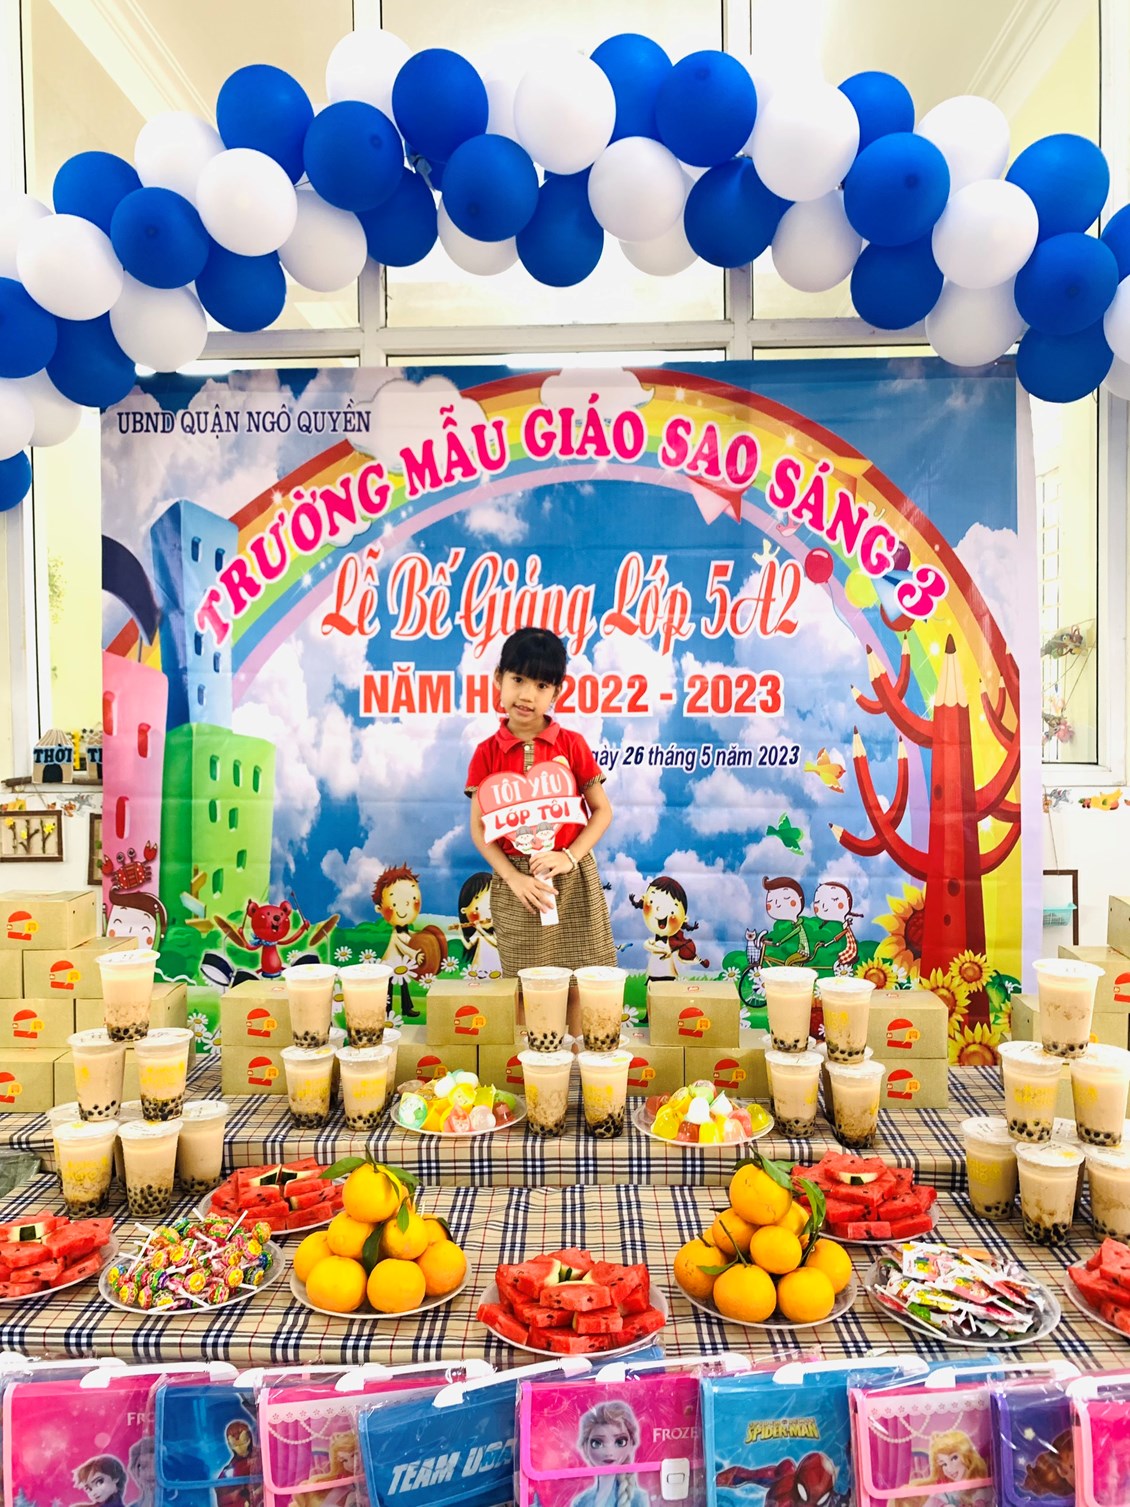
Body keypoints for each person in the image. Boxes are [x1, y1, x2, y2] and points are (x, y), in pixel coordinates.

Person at [466, 627, 615, 973]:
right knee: (526, 981)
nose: (527, 695)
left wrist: (569, 857)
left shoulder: (572, 744)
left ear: (556, 692)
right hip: (518, 884)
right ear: (498, 678)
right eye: (518, 680)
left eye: (542, 685)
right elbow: (479, 829)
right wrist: (512, 878)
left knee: (586, 977)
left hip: (572, 879)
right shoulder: (486, 753)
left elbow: (602, 811)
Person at [569, 1401, 648, 1507]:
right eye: (597, 1443)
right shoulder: (581, 1501)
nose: (609, 1452)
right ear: (585, 1447)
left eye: (620, 1442)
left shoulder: (638, 1498)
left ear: (631, 1443)